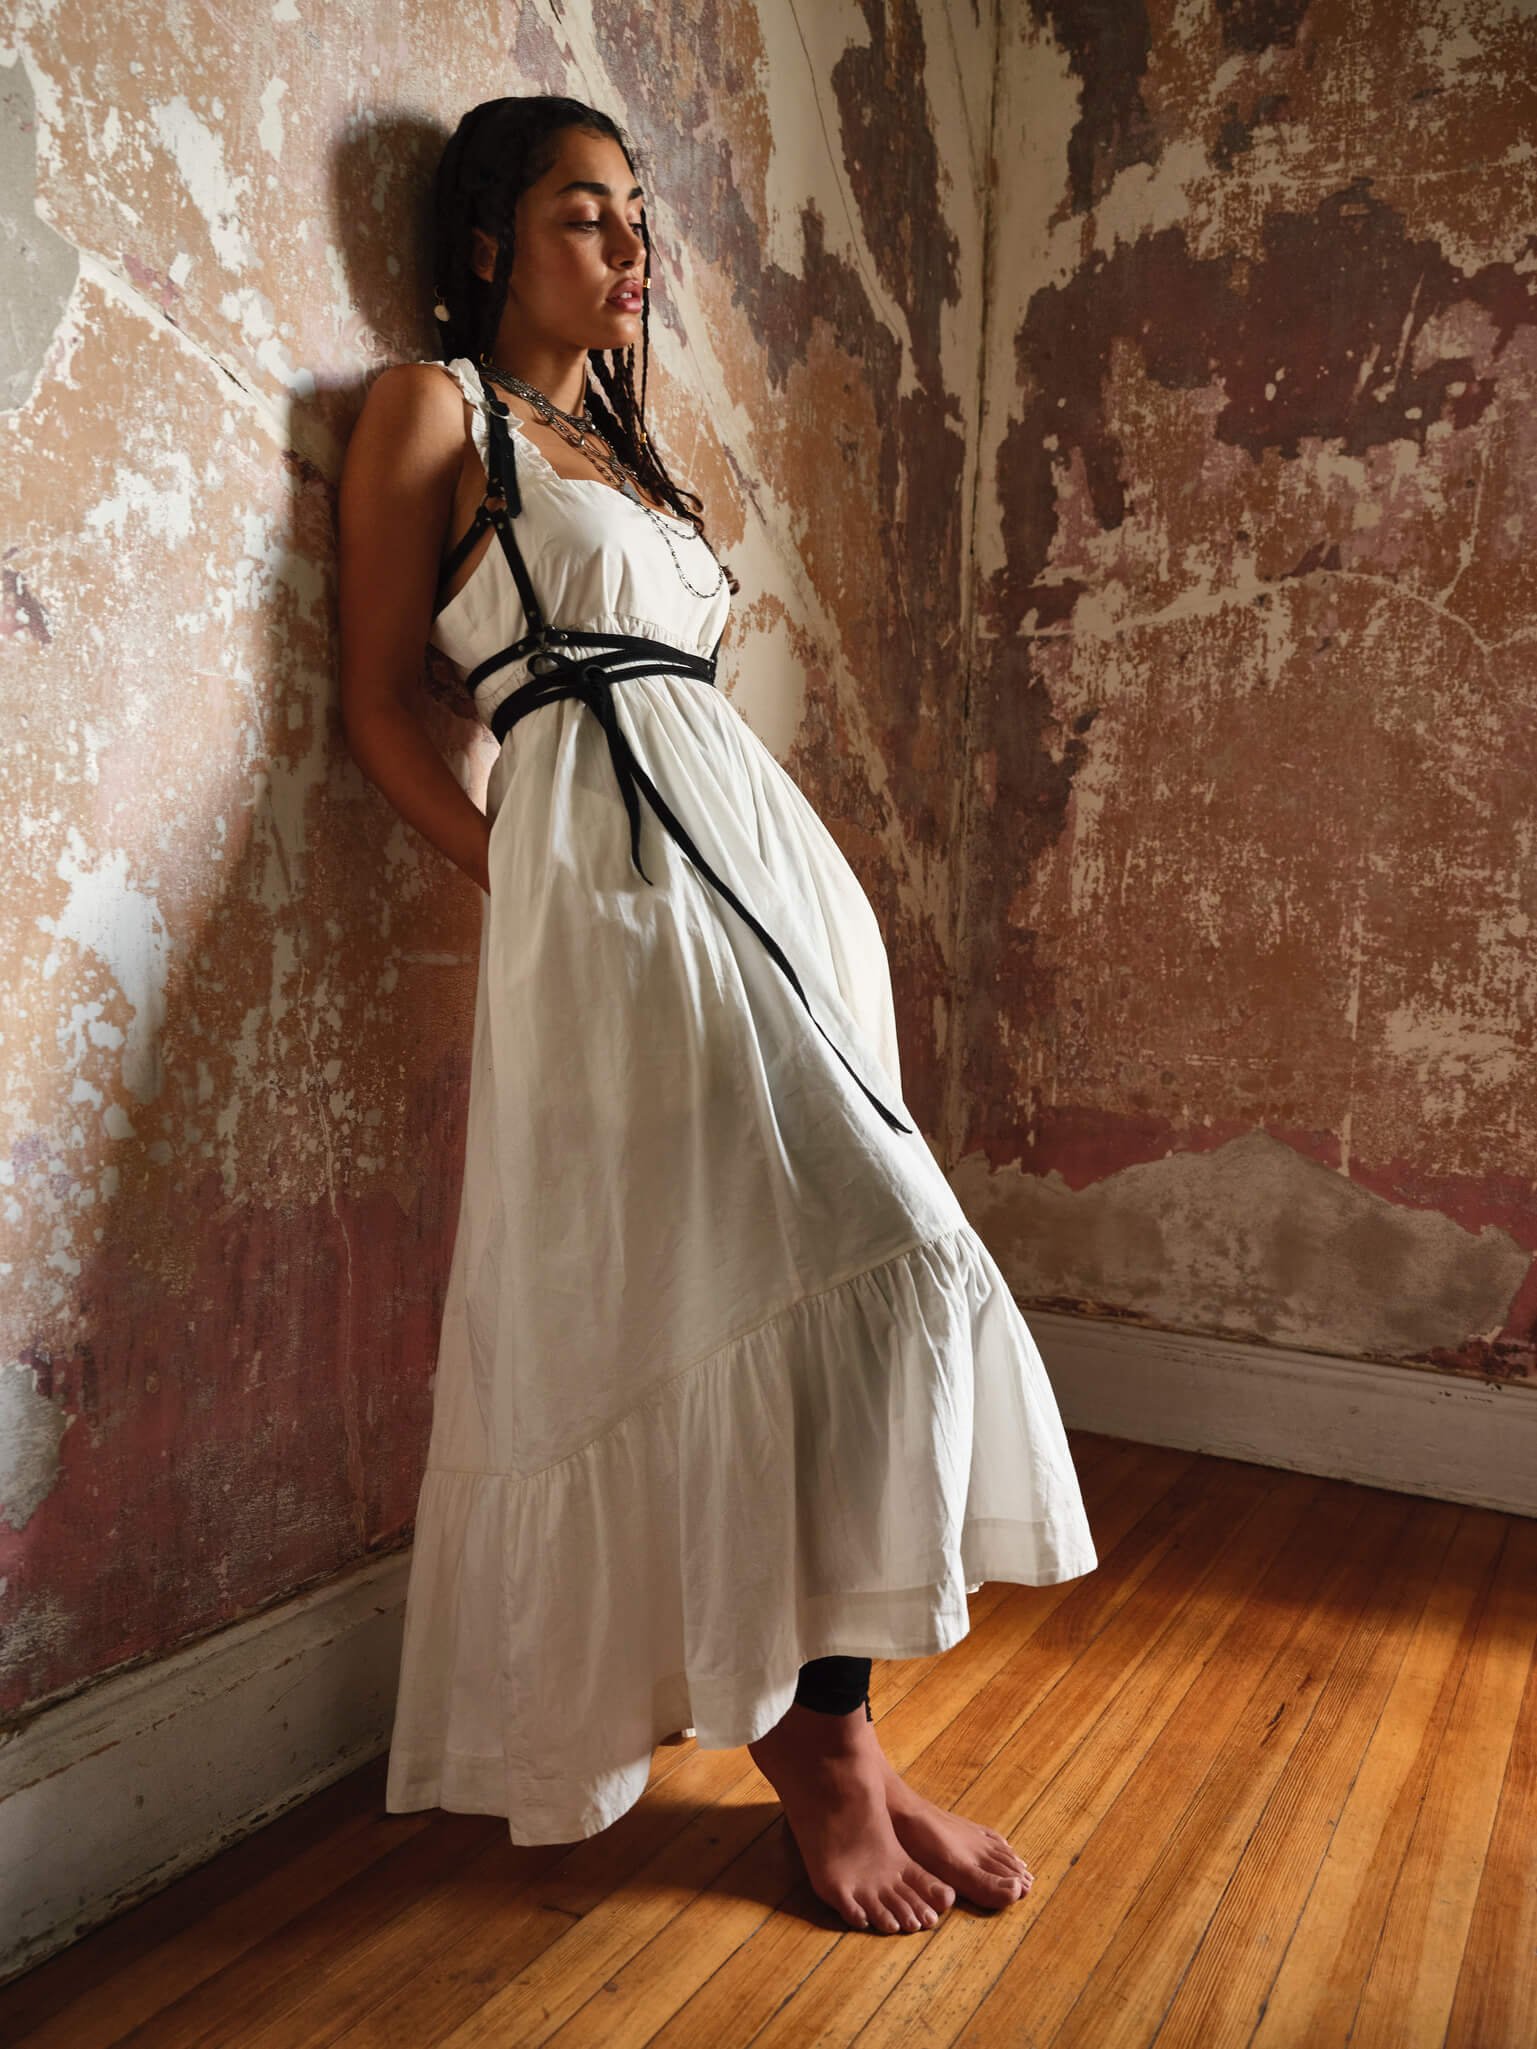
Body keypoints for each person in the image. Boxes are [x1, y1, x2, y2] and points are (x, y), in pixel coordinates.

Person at [337, 93, 1098, 1939]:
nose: (629, 246)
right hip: (620, 911)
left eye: (636, 213)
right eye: (581, 212)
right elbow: (372, 703)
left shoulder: (625, 449)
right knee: (812, 1271)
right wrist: (530, 886)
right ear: (488, 243)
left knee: (854, 1290)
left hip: (773, 893)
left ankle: (843, 1730)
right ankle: (817, 1757)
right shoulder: (431, 411)